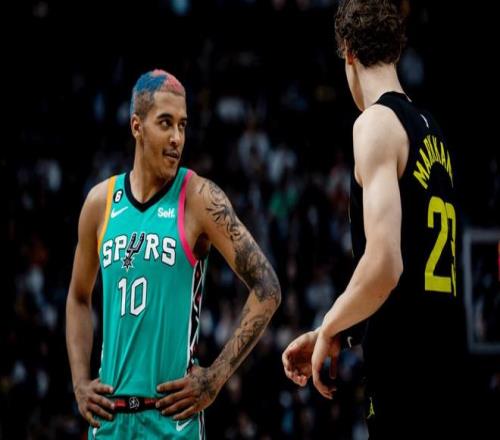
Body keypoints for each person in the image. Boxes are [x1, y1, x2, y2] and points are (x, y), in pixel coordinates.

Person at [282, 0, 465, 437]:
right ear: (396, 50)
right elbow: (412, 277)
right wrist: (337, 332)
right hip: (448, 374)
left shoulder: (375, 124)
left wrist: (329, 323)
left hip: (405, 382)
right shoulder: (432, 130)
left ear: (348, 51)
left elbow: (385, 265)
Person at [66, 69, 281, 439]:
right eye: (165, 123)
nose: (177, 138)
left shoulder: (199, 198)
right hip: (109, 423)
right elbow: (77, 297)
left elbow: (267, 287)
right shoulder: (100, 202)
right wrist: (80, 383)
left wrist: (215, 378)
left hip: (171, 423)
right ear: (137, 126)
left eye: (182, 125)